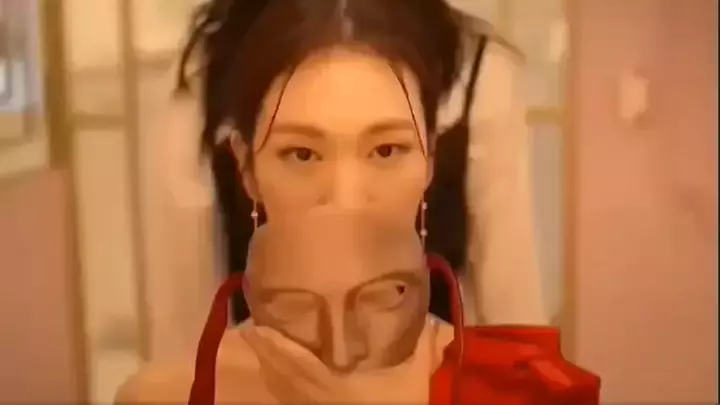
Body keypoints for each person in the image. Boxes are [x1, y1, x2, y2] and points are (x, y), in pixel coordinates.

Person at [138, 0, 548, 360]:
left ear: (430, 155)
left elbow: (515, 311)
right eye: (302, 154)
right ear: (247, 166)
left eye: (386, 150)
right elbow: (183, 334)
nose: (346, 203)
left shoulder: (481, 78)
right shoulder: (201, 84)